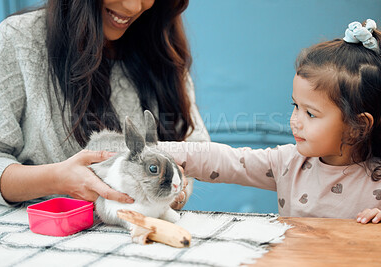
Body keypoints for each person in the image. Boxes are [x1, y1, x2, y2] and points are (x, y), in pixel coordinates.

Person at [0, 0, 209, 208]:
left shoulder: (160, 47)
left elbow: (194, 147)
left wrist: (174, 191)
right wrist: (56, 179)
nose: (132, 7)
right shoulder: (17, 41)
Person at [158, 19, 381, 223]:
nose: (295, 121)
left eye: (310, 114)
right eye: (295, 106)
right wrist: (158, 150)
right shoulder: (288, 163)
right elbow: (226, 160)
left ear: (357, 127)